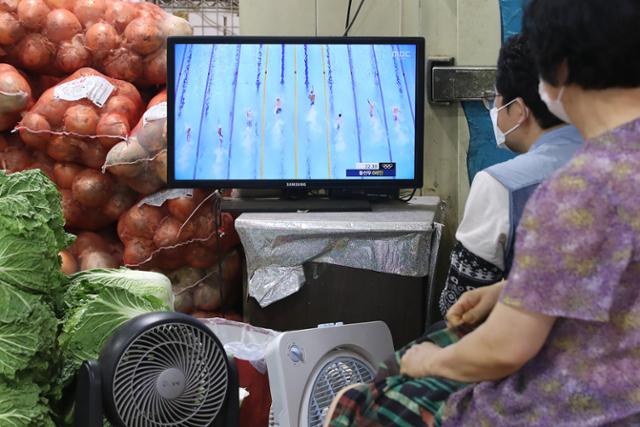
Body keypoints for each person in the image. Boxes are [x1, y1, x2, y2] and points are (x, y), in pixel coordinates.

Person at [326, 0, 640, 426]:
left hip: (570, 406)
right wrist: (509, 289)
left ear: (559, 68)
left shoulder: (576, 189)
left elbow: (504, 347)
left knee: (362, 403)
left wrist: (429, 362)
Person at [438, 34, 582, 316]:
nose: (495, 109)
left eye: (496, 99)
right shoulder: (621, 164)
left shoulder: (499, 186)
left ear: (518, 110)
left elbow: (458, 309)